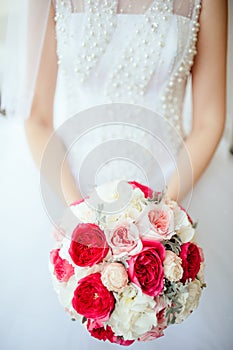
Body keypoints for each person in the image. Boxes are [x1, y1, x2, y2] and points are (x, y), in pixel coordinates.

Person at [1, 1, 232, 349]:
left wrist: (159, 218)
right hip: (67, 182)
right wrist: (81, 216)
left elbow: (209, 121)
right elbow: (37, 118)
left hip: (176, 183)